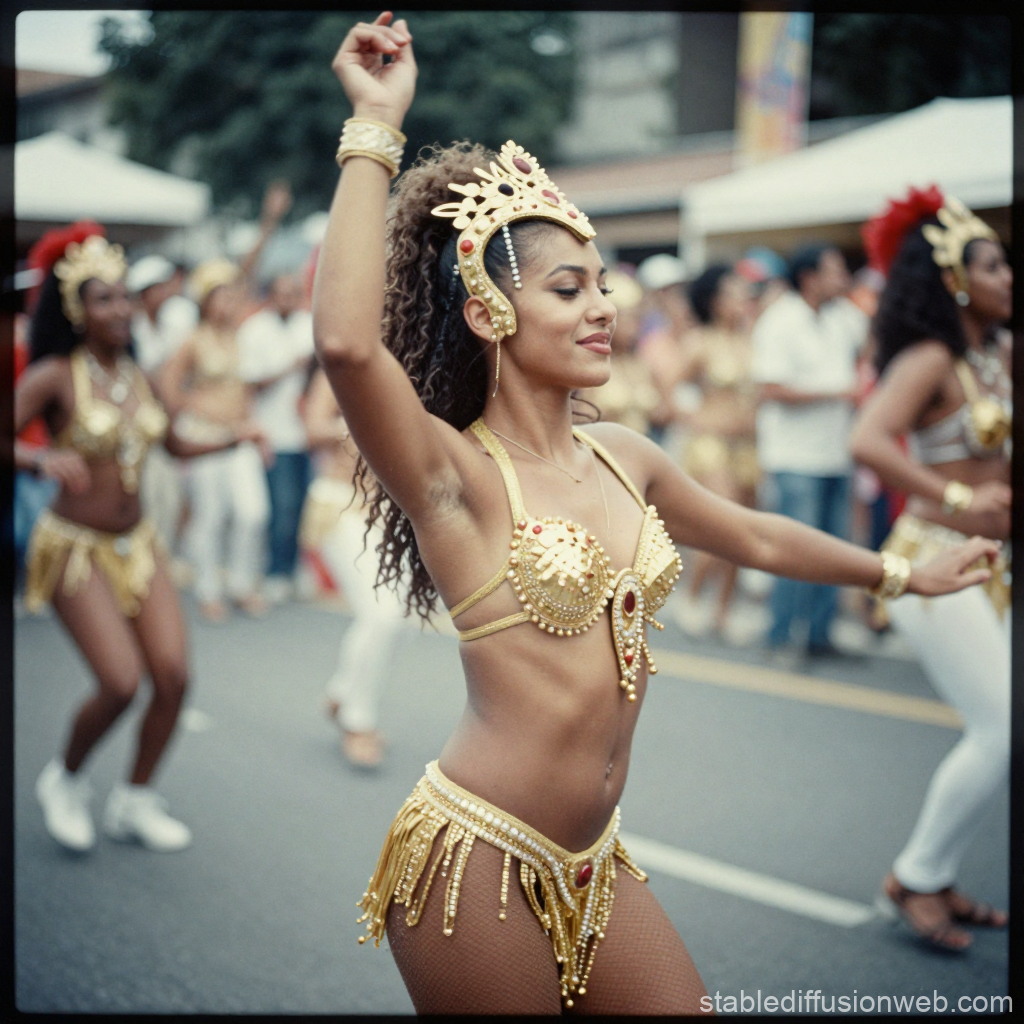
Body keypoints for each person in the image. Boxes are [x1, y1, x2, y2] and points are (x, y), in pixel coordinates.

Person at [314, 14, 999, 1014]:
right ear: (487, 312)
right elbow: (344, 345)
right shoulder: (452, 473)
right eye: (568, 287)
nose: (604, 306)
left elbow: (757, 535)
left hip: (597, 855)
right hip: (479, 858)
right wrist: (375, 125)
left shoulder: (623, 454)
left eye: (603, 283)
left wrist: (899, 574)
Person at [14, 231, 263, 853]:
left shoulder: (141, 377)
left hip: (140, 543)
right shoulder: (53, 377)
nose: (120, 309)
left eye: (125, 297)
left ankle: (134, 799)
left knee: (174, 677)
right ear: (77, 311)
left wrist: (235, 438)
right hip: (73, 547)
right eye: (104, 300)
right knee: (121, 682)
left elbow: (174, 445)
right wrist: (36, 460)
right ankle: (65, 779)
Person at [851, 187, 1011, 951]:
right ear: (954, 279)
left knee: (1003, 725)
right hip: (930, 560)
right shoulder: (931, 357)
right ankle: (914, 876)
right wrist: (956, 494)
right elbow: (869, 440)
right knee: (1001, 724)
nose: (1008, 275)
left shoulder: (999, 353)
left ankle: (935, 872)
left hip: (993, 564)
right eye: (991, 265)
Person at [750, 242, 868, 657]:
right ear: (809, 278)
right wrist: (839, 392)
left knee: (833, 549)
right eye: (834, 271)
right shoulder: (780, 321)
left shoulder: (844, 318)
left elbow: (870, 349)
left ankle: (819, 636)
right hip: (794, 457)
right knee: (795, 551)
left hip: (835, 453)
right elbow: (770, 388)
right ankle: (781, 635)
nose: (843, 279)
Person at [300, 367, 407, 768]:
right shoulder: (342, 369)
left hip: (394, 515)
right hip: (342, 506)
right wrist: (364, 422)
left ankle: (342, 691)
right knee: (382, 615)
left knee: (402, 619)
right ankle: (356, 721)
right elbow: (312, 431)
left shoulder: (418, 371)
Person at [158, 259, 271, 622]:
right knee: (210, 513)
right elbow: (167, 386)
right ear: (205, 301)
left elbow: (247, 391)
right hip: (204, 437)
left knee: (253, 512)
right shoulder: (193, 340)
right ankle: (208, 589)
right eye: (219, 295)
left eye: (231, 295)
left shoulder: (243, 338)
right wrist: (192, 411)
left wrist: (256, 431)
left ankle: (241, 584)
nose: (228, 302)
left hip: (240, 435)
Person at [674, 264, 759, 638]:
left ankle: (723, 609)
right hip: (710, 446)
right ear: (714, 300)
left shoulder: (752, 341)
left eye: (743, 293)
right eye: (733, 293)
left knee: (743, 534)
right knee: (722, 525)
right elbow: (671, 391)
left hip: (748, 447)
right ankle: (691, 597)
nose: (741, 300)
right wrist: (695, 419)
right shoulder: (699, 342)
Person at [237, 272, 316, 604]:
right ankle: (275, 573)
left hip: (306, 434)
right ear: (270, 295)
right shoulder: (254, 330)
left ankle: (293, 568)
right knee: (280, 507)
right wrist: (290, 366)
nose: (289, 298)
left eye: (294, 292)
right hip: (273, 434)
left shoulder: (308, 324)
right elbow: (250, 384)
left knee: (302, 507)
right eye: (282, 292)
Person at [126, 254, 199, 567]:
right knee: (144, 499)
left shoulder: (176, 321)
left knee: (168, 499)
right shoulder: (129, 328)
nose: (166, 292)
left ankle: (160, 566)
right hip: (135, 427)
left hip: (168, 423)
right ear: (144, 292)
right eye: (158, 287)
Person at [576, 270, 660, 435]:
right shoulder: (589, 363)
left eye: (638, 318)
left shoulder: (640, 364)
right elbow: (579, 419)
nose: (635, 326)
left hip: (639, 451)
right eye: (628, 318)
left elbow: (664, 412)